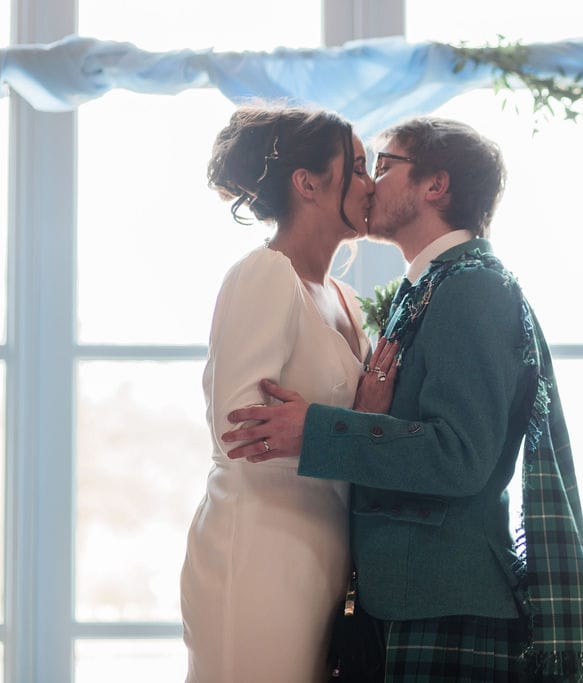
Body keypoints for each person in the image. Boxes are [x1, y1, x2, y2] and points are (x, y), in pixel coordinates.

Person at [222, 117, 583, 681]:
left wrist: (316, 430)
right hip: (413, 600)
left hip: (446, 602)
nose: (369, 183)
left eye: (385, 165)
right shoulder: (433, 284)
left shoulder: (473, 287)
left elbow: (460, 456)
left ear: (436, 186)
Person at [179, 104, 398, 682]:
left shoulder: (345, 296)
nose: (372, 183)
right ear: (307, 183)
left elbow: (345, 432)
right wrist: (343, 425)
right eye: (357, 166)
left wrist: (362, 417)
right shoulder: (265, 274)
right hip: (258, 554)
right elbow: (239, 430)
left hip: (323, 559)